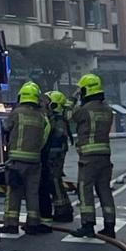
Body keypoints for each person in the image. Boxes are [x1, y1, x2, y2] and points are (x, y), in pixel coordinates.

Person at [71, 73, 116, 238]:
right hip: (105, 156)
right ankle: (110, 226)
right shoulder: (108, 110)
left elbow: (69, 116)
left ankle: (87, 225)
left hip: (88, 158)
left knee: (85, 190)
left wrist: (72, 98)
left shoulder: (85, 110)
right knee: (104, 190)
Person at [3, 81, 51, 235]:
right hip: (35, 161)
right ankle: (33, 223)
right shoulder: (40, 116)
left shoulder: (16, 113)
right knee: (32, 193)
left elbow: (5, 128)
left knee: (14, 192)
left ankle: (11, 224)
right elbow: (43, 138)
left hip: (17, 160)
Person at [39, 90, 74, 226]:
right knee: (55, 181)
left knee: (54, 181)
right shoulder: (56, 118)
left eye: (48, 102)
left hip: (55, 154)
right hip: (54, 153)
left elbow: (58, 135)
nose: (45, 105)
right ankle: (63, 209)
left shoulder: (58, 120)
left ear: (54, 105)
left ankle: (63, 211)